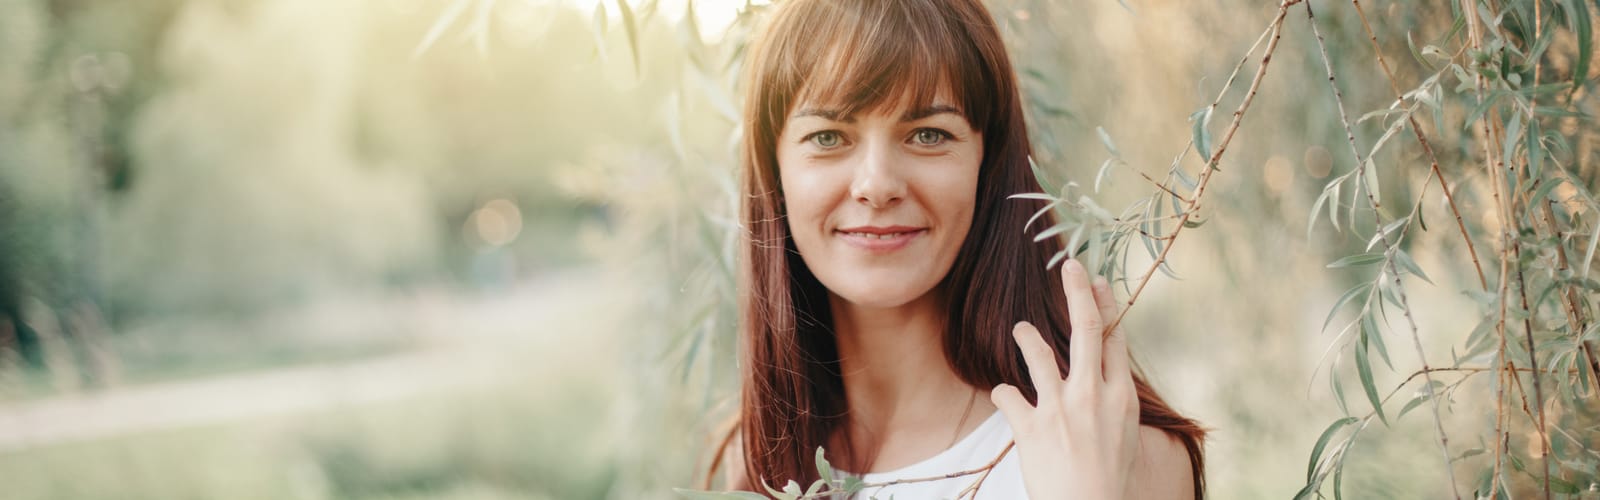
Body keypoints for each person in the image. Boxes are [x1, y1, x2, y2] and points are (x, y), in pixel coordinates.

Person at [702, 0, 1207, 498]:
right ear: (775, 173)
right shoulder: (755, 464)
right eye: (829, 137)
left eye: (928, 134)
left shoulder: (1122, 451)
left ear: (988, 166)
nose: (877, 185)